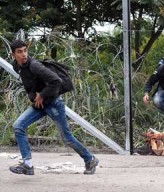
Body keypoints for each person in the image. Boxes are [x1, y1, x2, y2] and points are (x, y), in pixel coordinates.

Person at [9, 40, 99, 175]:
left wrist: (42, 95)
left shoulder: (35, 66)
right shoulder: (17, 66)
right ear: (13, 54)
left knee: (67, 138)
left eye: (25, 50)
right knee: (18, 126)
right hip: (39, 105)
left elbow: (56, 81)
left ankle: (90, 159)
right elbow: (29, 86)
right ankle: (28, 165)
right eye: (20, 52)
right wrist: (35, 96)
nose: (24, 54)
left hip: (53, 104)